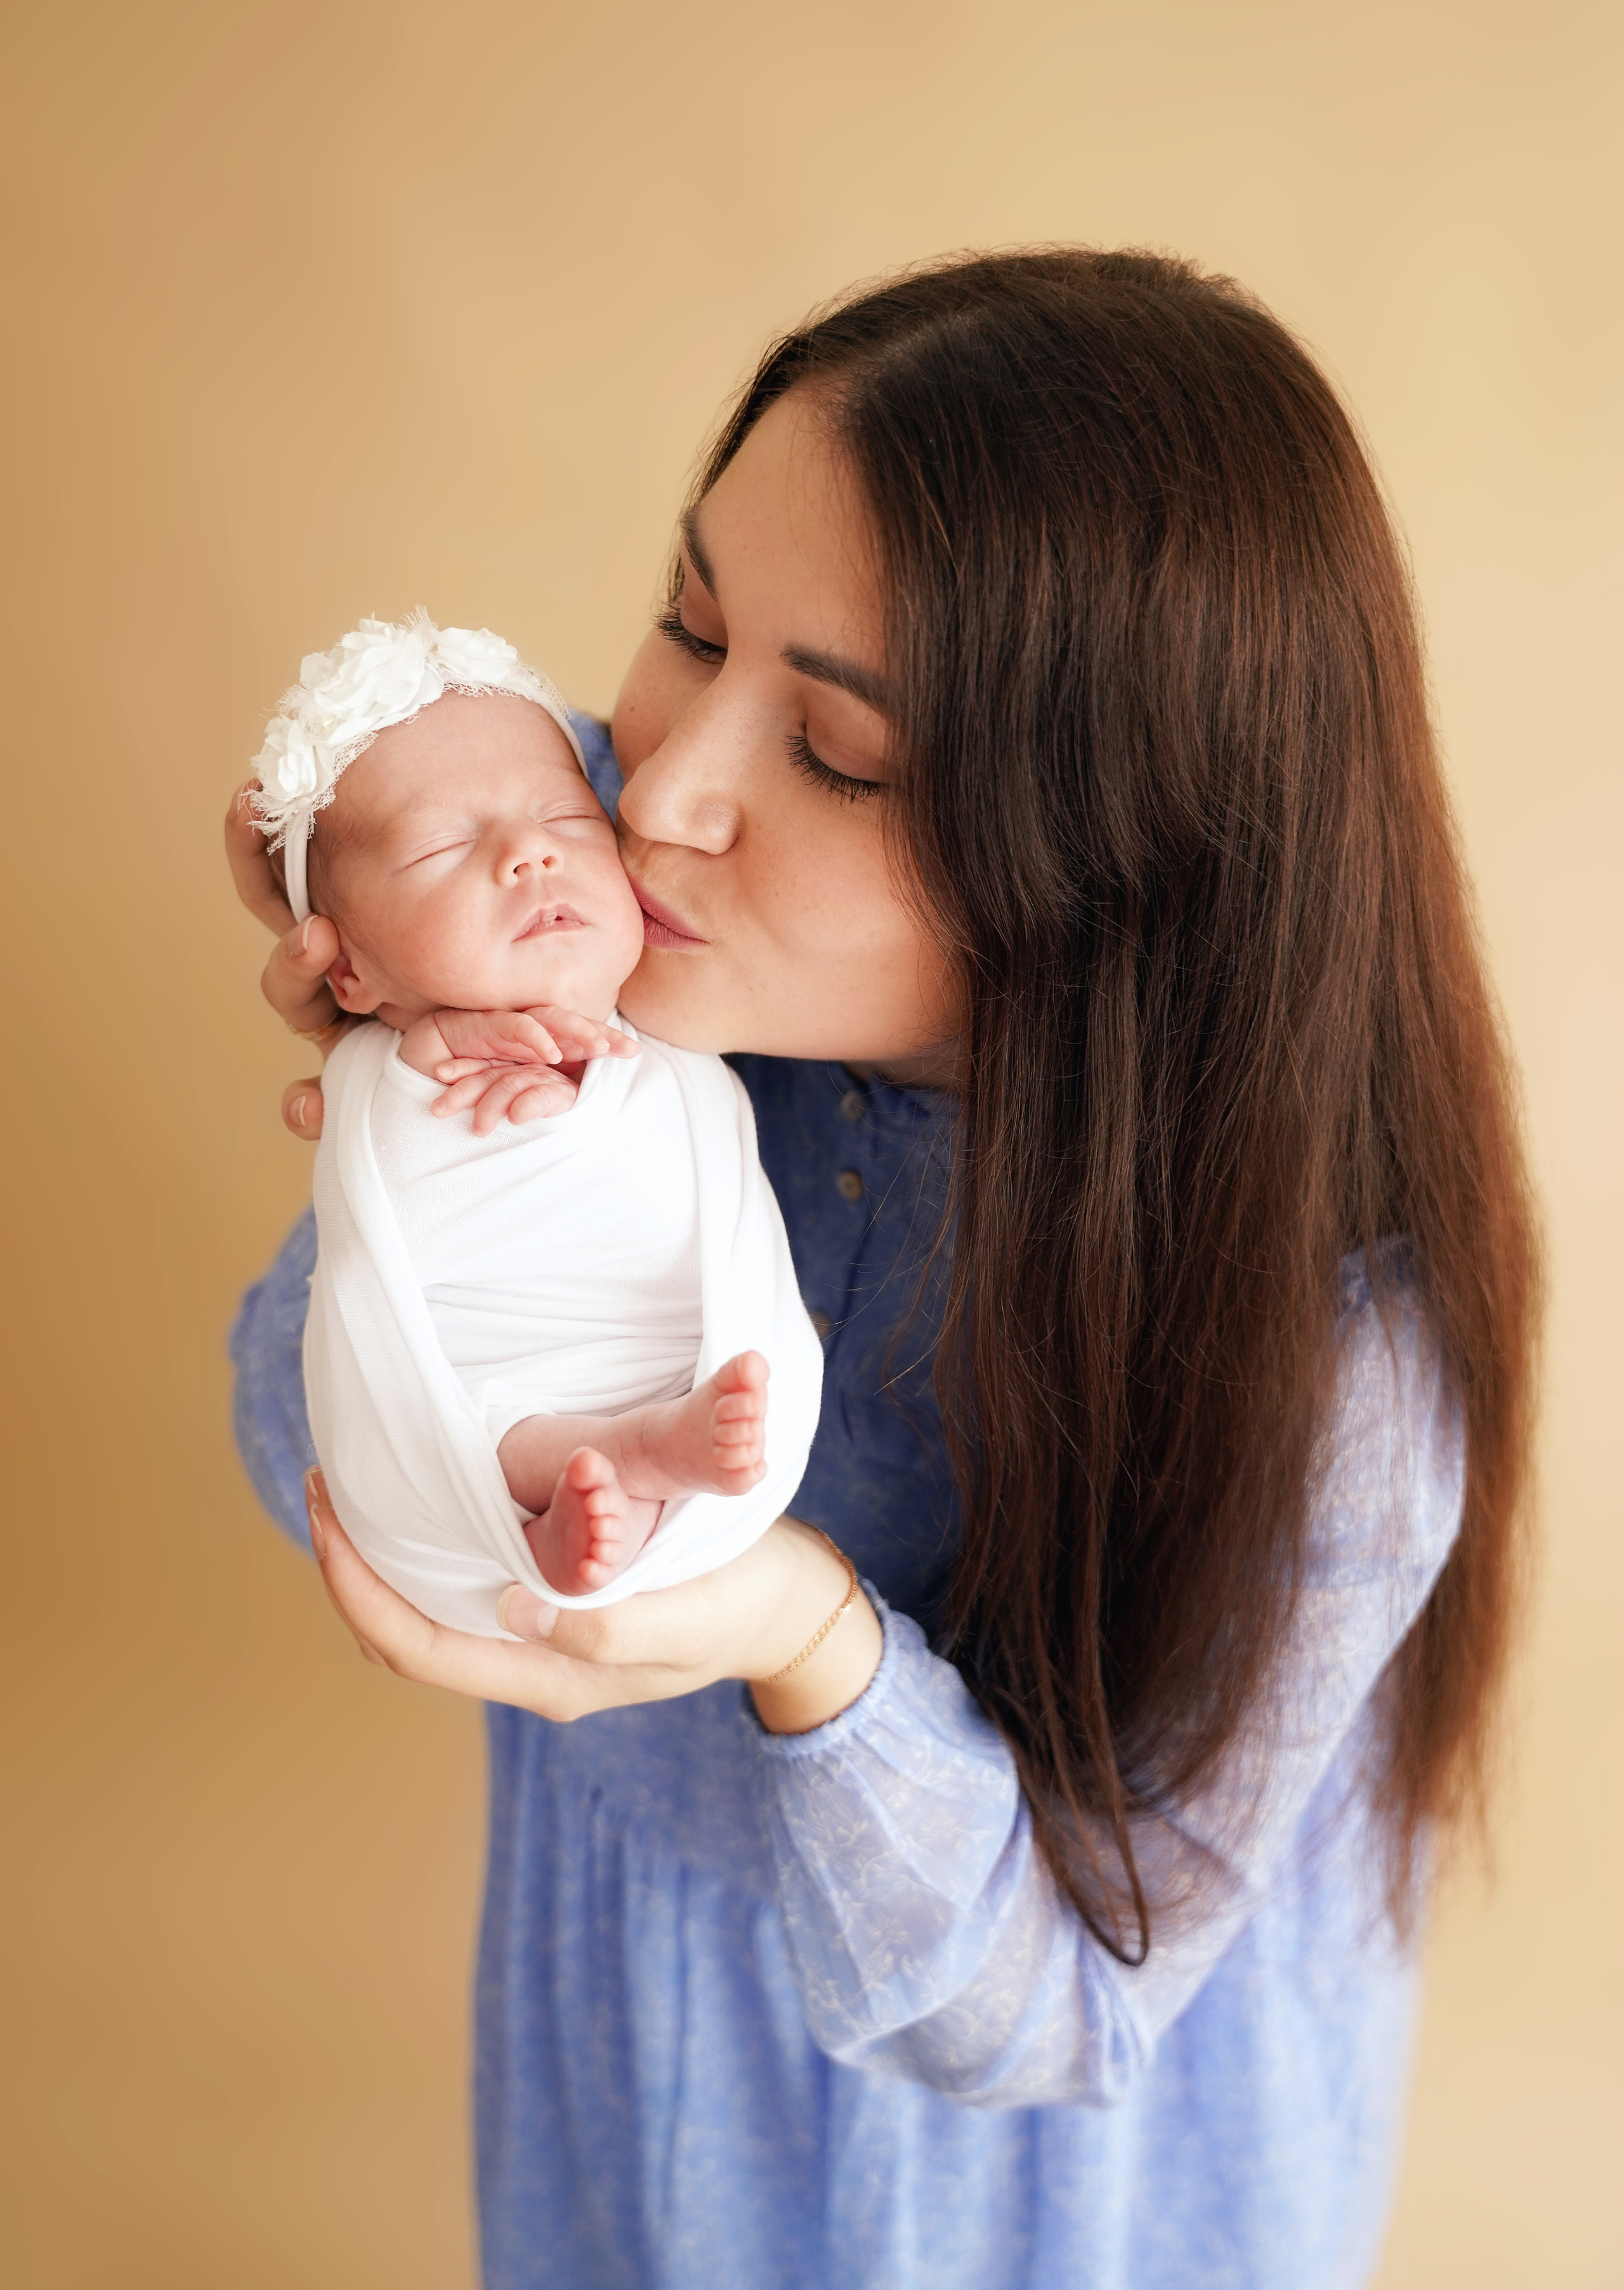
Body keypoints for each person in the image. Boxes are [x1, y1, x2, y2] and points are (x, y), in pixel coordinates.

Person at [226, 249, 1537, 2290]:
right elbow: (282, 1432)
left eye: (834, 753)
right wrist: (405, 1044)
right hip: (627, 2087)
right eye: (689, 618)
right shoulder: (601, 923)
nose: (658, 789)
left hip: (1025, 2201)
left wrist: (793, 1620)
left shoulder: (1337, 1367)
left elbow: (1049, 2008)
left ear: (1122, 864)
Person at [246, 610, 820, 1611]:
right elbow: (383, 1243)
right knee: (501, 1426)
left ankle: (630, 1478)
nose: (529, 854)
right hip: (492, 1391)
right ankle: (608, 1477)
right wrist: (430, 1060)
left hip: (670, 1345)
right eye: (440, 848)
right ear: (349, 970)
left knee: (648, 1415)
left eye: (567, 818)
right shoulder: (399, 1069)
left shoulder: (678, 1022)